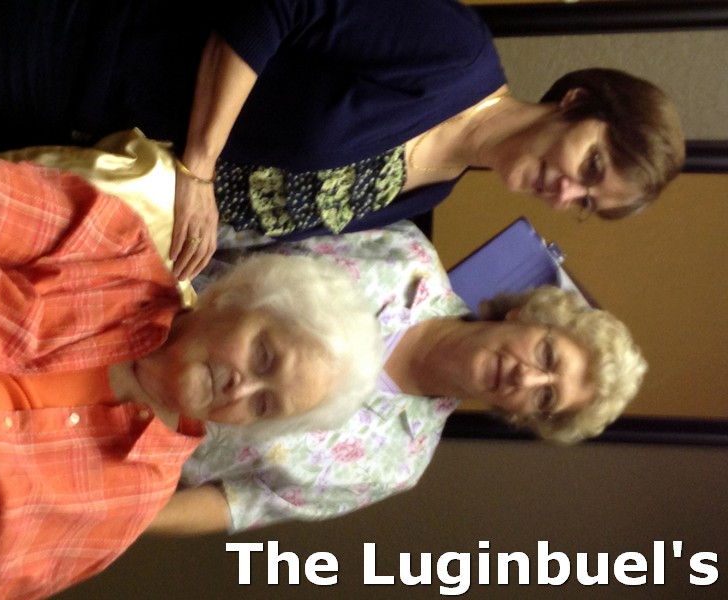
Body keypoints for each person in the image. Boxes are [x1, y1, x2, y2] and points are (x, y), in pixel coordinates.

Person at [0, 0, 685, 280]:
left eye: (587, 203)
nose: (568, 191)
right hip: (73, 56)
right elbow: (281, 4)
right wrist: (198, 167)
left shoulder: (424, 200)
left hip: (61, 170)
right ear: (576, 102)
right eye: (591, 164)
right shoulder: (453, 53)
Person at [0, 141, 382, 599]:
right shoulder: (114, 250)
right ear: (235, 298)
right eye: (263, 356)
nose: (241, 387)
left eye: (264, 404)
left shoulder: (128, 502)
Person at [148, 220, 647, 536]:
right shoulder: (405, 255)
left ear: (523, 416)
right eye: (546, 355)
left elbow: (240, 503)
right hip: (139, 300)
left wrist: (124, 515)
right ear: (527, 316)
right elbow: (235, 232)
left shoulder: (397, 465)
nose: (528, 378)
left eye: (545, 399)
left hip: (134, 430)